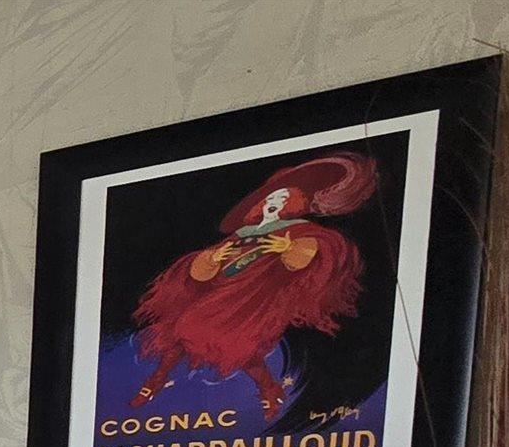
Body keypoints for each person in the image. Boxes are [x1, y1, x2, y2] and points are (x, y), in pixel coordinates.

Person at [124, 152, 377, 424]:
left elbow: (309, 257)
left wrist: (289, 249)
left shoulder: (298, 230)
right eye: (270, 197)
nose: (273, 201)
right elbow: (203, 270)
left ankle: (268, 390)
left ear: (293, 202)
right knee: (180, 332)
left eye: (282, 197)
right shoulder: (242, 233)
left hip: (252, 298)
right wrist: (213, 259)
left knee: (236, 343)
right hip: (221, 290)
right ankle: (157, 379)